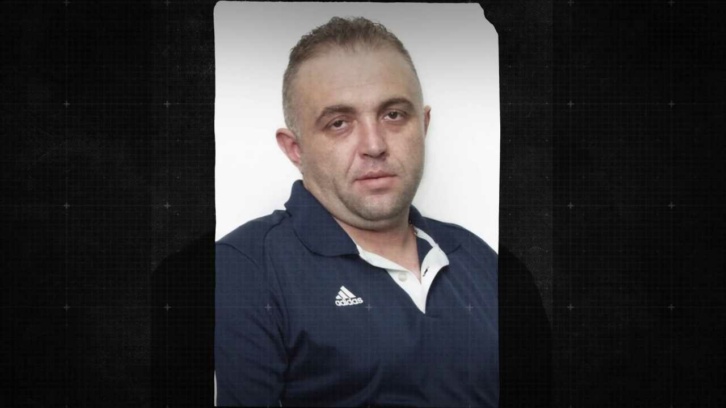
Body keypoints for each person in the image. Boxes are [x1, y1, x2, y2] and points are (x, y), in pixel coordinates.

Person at [215, 16, 499, 406]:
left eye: (393, 115)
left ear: (424, 125)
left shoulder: (479, 258)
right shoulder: (247, 267)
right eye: (339, 123)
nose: (374, 145)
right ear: (295, 149)